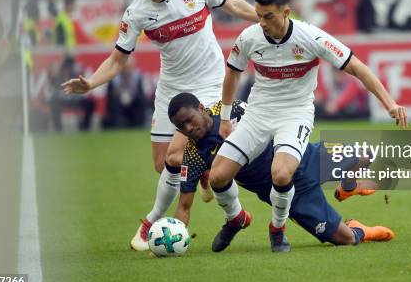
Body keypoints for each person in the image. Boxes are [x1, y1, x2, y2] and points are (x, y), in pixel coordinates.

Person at [60, 0, 259, 249]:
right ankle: (220, 191)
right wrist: (92, 84)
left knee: (176, 154)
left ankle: (150, 223)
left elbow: (232, 5)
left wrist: (262, 17)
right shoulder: (137, 12)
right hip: (171, 90)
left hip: (209, 85)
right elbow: (117, 60)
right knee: (161, 163)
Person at [208, 0, 407, 252]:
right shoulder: (249, 37)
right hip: (258, 114)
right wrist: (227, 117)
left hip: (294, 115)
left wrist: (390, 103)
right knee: (217, 177)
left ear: (286, 12)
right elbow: (232, 72)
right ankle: (236, 219)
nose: (262, 22)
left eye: (269, 16)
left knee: (280, 174)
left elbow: (358, 68)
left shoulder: (312, 37)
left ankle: (277, 229)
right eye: (259, 15)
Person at [168, 93, 392, 251]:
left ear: (200, 108)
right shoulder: (194, 155)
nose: (188, 128)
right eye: (181, 126)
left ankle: (348, 186)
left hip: (302, 157)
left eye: (189, 120)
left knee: (366, 154)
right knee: (347, 240)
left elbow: (270, 120)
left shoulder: (233, 110)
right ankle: (361, 229)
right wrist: (174, 239)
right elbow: (184, 206)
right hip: (289, 194)